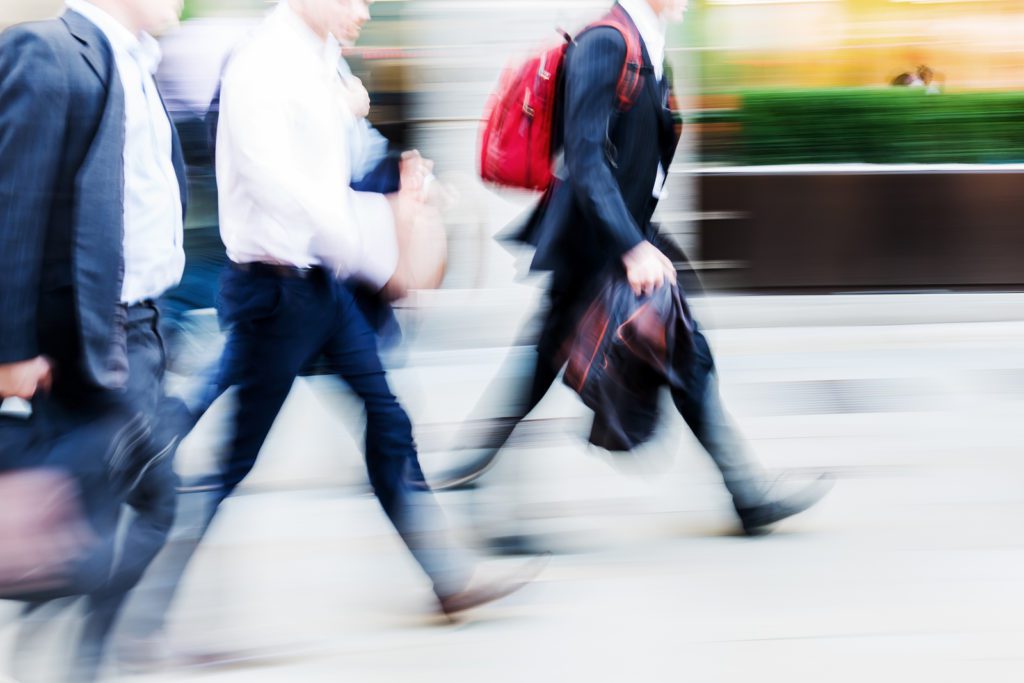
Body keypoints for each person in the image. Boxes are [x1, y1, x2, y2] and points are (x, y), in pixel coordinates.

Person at [113, 1, 543, 666]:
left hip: (319, 286)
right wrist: (366, 242)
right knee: (232, 460)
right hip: (276, 289)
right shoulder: (263, 65)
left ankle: (448, 579)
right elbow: (272, 177)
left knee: (388, 420)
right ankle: (143, 611)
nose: (364, 11)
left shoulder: (319, 63)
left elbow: (326, 167)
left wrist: (372, 151)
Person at [434, 0, 832, 537]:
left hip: (625, 234)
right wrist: (631, 246)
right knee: (561, 361)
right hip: (595, 242)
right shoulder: (607, 43)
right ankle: (477, 474)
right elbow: (586, 155)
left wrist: (637, 238)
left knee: (679, 356)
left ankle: (745, 494)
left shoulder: (649, 47)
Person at [0, 0, 191, 679]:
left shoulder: (140, 65)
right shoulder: (47, 52)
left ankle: (65, 636)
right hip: (90, 334)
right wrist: (10, 350)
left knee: (143, 501)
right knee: (152, 501)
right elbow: (13, 207)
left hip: (142, 325)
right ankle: (71, 647)